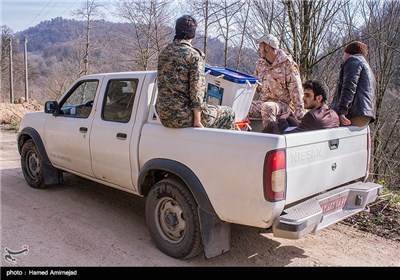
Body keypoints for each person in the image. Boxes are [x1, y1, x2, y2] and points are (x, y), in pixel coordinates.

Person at [156, 15, 235, 129]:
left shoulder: (164, 53)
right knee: (229, 113)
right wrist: (197, 121)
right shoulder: (193, 55)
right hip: (182, 117)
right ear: (192, 34)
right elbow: (197, 90)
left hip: (164, 115)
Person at [248, 34, 306, 130]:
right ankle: (244, 138)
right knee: (243, 107)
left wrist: (300, 115)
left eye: (260, 46)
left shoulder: (287, 64)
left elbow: (296, 90)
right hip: (264, 102)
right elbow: (255, 85)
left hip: (284, 105)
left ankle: (270, 138)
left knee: (268, 107)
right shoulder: (260, 64)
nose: (258, 49)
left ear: (267, 47)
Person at [264, 80, 339, 134]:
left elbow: (289, 135)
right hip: (315, 143)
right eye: (304, 95)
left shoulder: (312, 116)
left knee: (272, 125)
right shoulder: (333, 114)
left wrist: (282, 119)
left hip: (298, 146)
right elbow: (303, 127)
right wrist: (290, 117)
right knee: (289, 118)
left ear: (319, 98)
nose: (303, 98)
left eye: (307, 95)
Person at [331, 41, 376, 127]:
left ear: (347, 52)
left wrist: (342, 111)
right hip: (365, 114)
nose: (343, 57)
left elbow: (349, 87)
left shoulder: (353, 61)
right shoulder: (366, 65)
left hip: (353, 114)